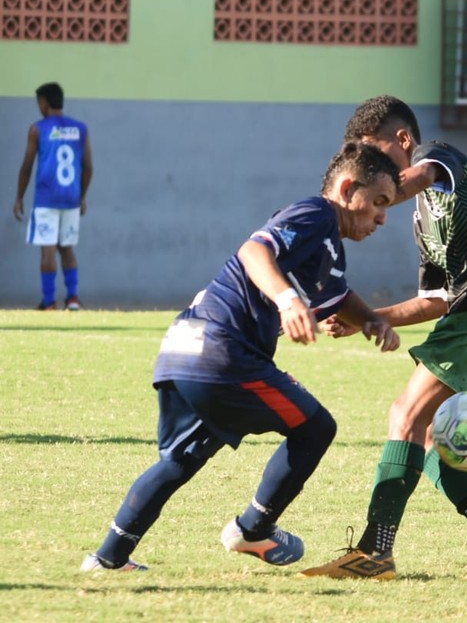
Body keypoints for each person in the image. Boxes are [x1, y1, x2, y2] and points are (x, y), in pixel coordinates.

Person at [80, 141, 402, 572]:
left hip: (182, 347)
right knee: (316, 427)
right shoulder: (317, 214)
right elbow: (254, 251)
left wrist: (372, 320)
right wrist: (288, 300)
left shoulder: (328, 246)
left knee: (179, 459)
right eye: (379, 202)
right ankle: (253, 530)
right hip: (224, 354)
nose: (382, 217)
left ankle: (108, 559)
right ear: (346, 189)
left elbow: (338, 295)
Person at [299, 95, 467, 582]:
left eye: (374, 155)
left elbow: (417, 177)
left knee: (405, 415)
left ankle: (375, 552)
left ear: (403, 141)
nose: (368, 167)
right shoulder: (421, 221)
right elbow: (435, 300)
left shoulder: (438, 157)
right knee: (434, 435)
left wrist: (349, 200)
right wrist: (366, 318)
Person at [14, 82, 93, 310]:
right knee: (67, 247)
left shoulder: (38, 129)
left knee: (48, 248)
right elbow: (88, 167)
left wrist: (19, 197)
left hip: (46, 199)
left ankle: (49, 301)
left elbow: (27, 166)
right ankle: (73, 298)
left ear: (44, 103)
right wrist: (82, 196)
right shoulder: (80, 128)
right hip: (70, 198)